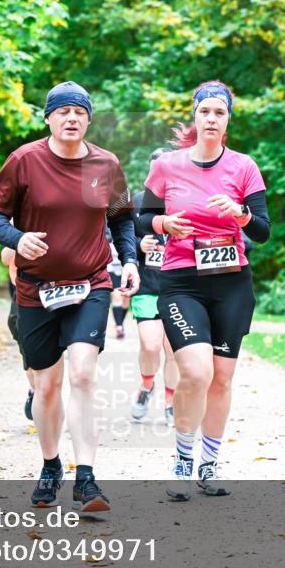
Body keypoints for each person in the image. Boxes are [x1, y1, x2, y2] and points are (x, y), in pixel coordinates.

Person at [0, 81, 139, 512]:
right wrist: (16, 237)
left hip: (91, 283)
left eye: (80, 112)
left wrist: (129, 261)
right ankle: (51, 466)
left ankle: (87, 478)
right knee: (47, 386)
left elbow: (123, 219)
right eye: (63, 111)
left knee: (83, 373)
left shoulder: (106, 164)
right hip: (36, 289)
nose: (72, 118)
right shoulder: (24, 161)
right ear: (48, 118)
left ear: (89, 119)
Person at [137, 80, 270, 500]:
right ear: (195, 118)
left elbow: (263, 231)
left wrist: (242, 213)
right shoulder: (167, 166)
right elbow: (140, 216)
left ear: (227, 120)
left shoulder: (244, 166)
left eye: (220, 113)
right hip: (181, 283)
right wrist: (164, 224)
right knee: (196, 371)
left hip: (231, 283)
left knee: (222, 379)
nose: (211, 119)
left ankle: (208, 465)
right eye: (205, 112)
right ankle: (181, 461)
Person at [130, 148, 178, 425]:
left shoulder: (185, 199)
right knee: (150, 346)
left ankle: (171, 402)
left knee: (172, 349)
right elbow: (116, 237)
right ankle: (147, 386)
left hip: (177, 287)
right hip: (147, 286)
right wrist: (140, 245)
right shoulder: (135, 202)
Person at [1, 246, 36, 420]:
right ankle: (35, 390)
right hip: (23, 288)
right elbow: (6, 258)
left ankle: (48, 394)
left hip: (55, 287)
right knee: (20, 331)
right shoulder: (17, 221)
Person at [107, 241, 130, 339]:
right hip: (112, 271)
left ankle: (121, 322)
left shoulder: (127, 239)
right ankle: (119, 326)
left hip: (126, 271)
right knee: (116, 297)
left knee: (126, 301)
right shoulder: (107, 236)